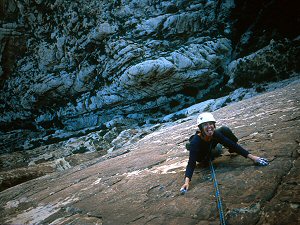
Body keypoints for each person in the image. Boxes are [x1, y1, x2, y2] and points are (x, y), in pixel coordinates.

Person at [180, 112, 268, 192]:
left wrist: (253, 158)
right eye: (205, 125)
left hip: (211, 147)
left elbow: (231, 144)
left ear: (214, 125)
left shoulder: (214, 133)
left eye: (211, 124)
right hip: (204, 155)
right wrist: (187, 182)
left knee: (224, 131)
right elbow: (191, 163)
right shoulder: (196, 141)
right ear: (201, 128)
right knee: (217, 150)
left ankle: (229, 149)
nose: (209, 127)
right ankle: (217, 148)